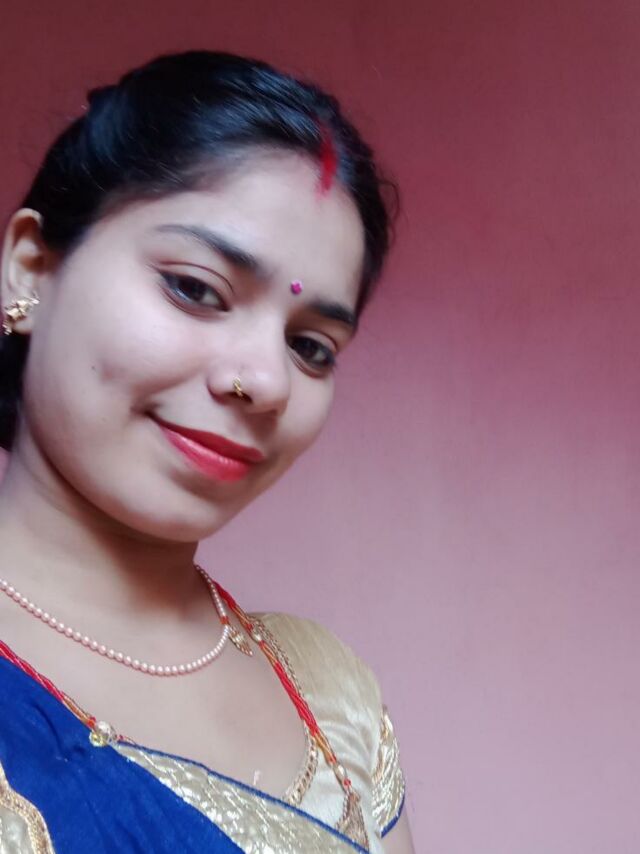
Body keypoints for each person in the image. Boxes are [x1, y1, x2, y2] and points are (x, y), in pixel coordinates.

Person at [0, 51, 413, 853]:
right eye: (195, 288)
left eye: (311, 347)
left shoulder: (328, 699)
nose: (265, 381)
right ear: (31, 270)